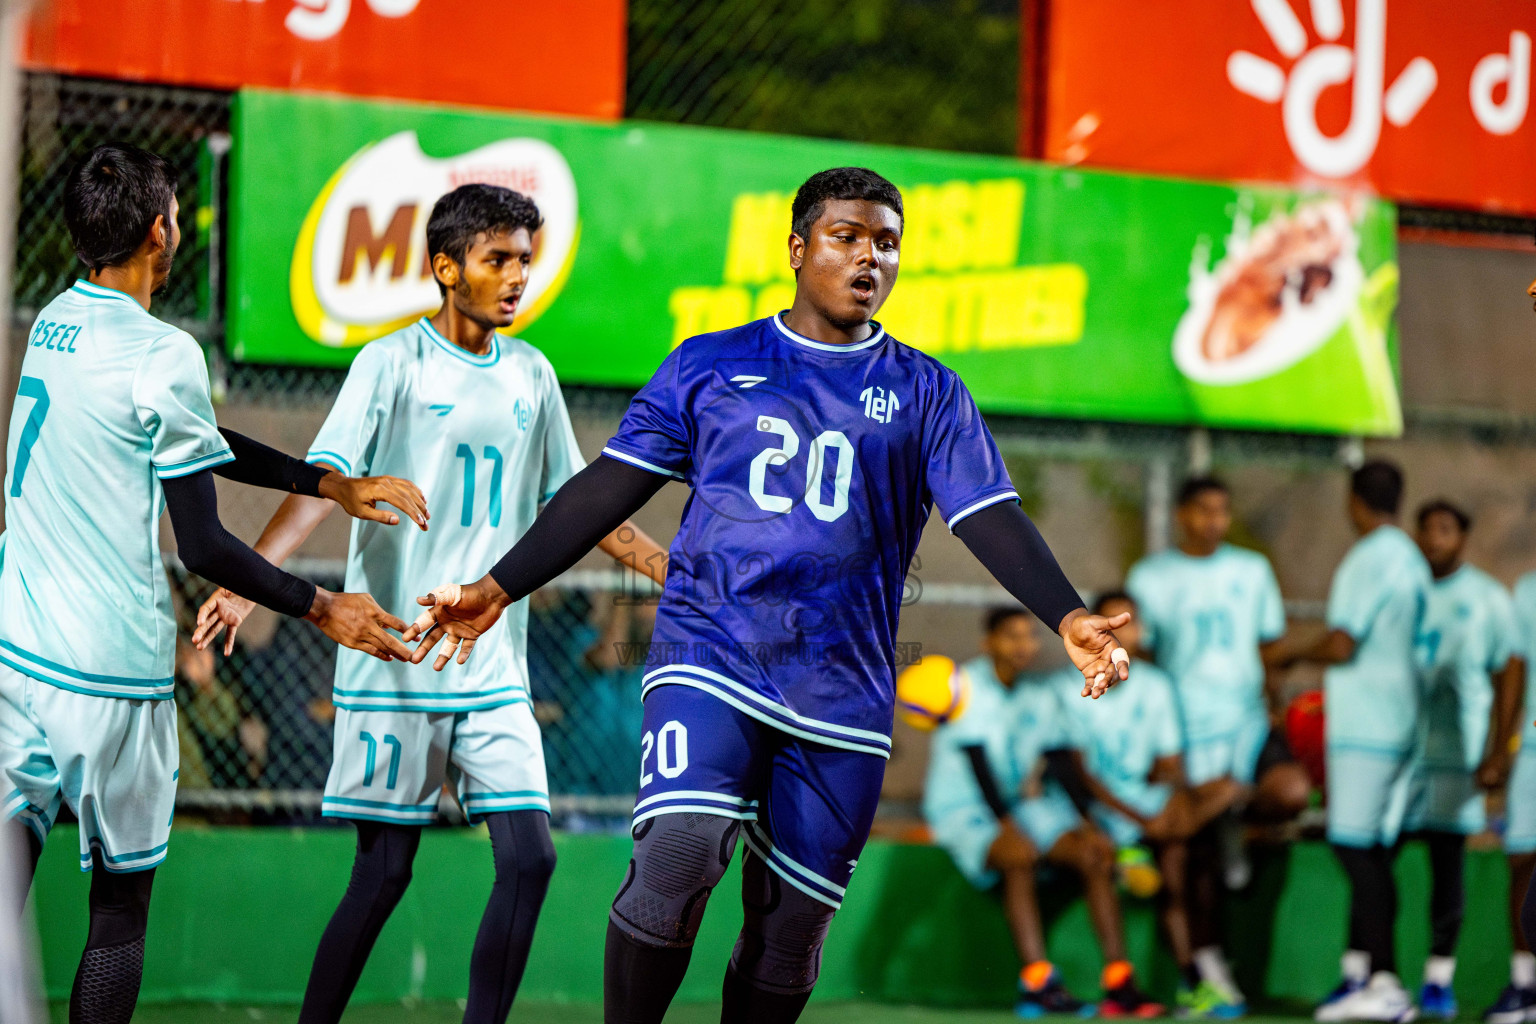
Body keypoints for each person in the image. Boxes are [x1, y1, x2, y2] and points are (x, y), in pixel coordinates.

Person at [401, 166, 1132, 1024]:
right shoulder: (710, 364)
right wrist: (497, 585)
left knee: (790, 931)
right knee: (678, 853)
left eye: (887, 244)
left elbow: (991, 514)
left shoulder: (928, 391)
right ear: (797, 248)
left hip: (844, 687)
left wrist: (1069, 612)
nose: (870, 258)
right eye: (847, 237)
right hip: (711, 652)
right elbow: (607, 487)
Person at [193, 184, 668, 1024]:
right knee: (383, 876)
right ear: (447, 269)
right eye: (498, 260)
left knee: (530, 859)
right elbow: (320, 485)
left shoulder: (532, 372)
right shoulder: (390, 362)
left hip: (489, 658)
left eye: (525, 259)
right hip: (394, 654)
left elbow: (575, 504)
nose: (518, 276)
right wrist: (245, 582)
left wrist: (669, 567)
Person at [0, 144, 424, 1024]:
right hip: (108, 675)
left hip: (17, 655)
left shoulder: (54, 322)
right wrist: (323, 606)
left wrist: (321, 482)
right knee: (117, 914)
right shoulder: (165, 351)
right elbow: (203, 544)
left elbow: (182, 430)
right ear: (162, 231)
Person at [1126, 475, 1311, 1019]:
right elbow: (1148, 658)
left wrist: (1275, 703)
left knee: (1292, 793)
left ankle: (1238, 824)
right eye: (1203, 510)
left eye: (1222, 512)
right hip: (1187, 729)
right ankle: (1210, 974)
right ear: (1181, 514)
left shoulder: (1250, 571)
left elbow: (1268, 645)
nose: (1214, 521)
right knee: (1193, 854)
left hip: (1247, 722)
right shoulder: (1151, 577)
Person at [924, 607, 1160, 1017]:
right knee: (1019, 854)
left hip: (1017, 802)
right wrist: (1008, 826)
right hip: (965, 806)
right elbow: (978, 763)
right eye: (1010, 636)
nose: (1023, 645)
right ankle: (1038, 983)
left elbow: (1061, 758)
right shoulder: (966, 686)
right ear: (988, 643)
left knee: (1095, 854)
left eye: (1029, 636)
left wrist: (1089, 824)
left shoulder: (1039, 692)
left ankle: (1120, 984)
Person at [1269, 459, 1431, 1023]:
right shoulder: (1410, 555)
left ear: (1355, 502)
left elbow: (1342, 645)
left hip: (1367, 724)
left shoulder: (1369, 556)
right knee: (1372, 850)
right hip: (1404, 718)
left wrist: (1286, 654)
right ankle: (1363, 974)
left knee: (1353, 847)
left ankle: (1386, 983)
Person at [1053, 591, 1244, 1017]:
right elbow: (1082, 777)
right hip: (1095, 807)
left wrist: (1171, 807)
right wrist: (1144, 819)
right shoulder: (1073, 686)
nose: (1128, 632)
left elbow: (1169, 764)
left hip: (1142, 800)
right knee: (1116, 853)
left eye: (1133, 624)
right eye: (1117, 624)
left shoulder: (1157, 686)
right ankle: (1126, 983)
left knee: (1218, 802)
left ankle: (1191, 982)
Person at [1407, 499, 1523, 1019]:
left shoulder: (1489, 598)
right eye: (1427, 529)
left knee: (1447, 862)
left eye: (1446, 530)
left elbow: (1509, 671)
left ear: (1463, 537)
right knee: (1371, 859)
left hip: (1458, 755)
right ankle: (1368, 969)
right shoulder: (1401, 593)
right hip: (1401, 753)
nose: (1435, 539)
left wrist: (1498, 750)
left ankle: (1439, 977)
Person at [1495, 569, 1536, 1023]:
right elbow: (1515, 670)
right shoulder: (1527, 591)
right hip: (1535, 743)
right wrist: (1499, 747)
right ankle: (1525, 984)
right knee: (1522, 858)